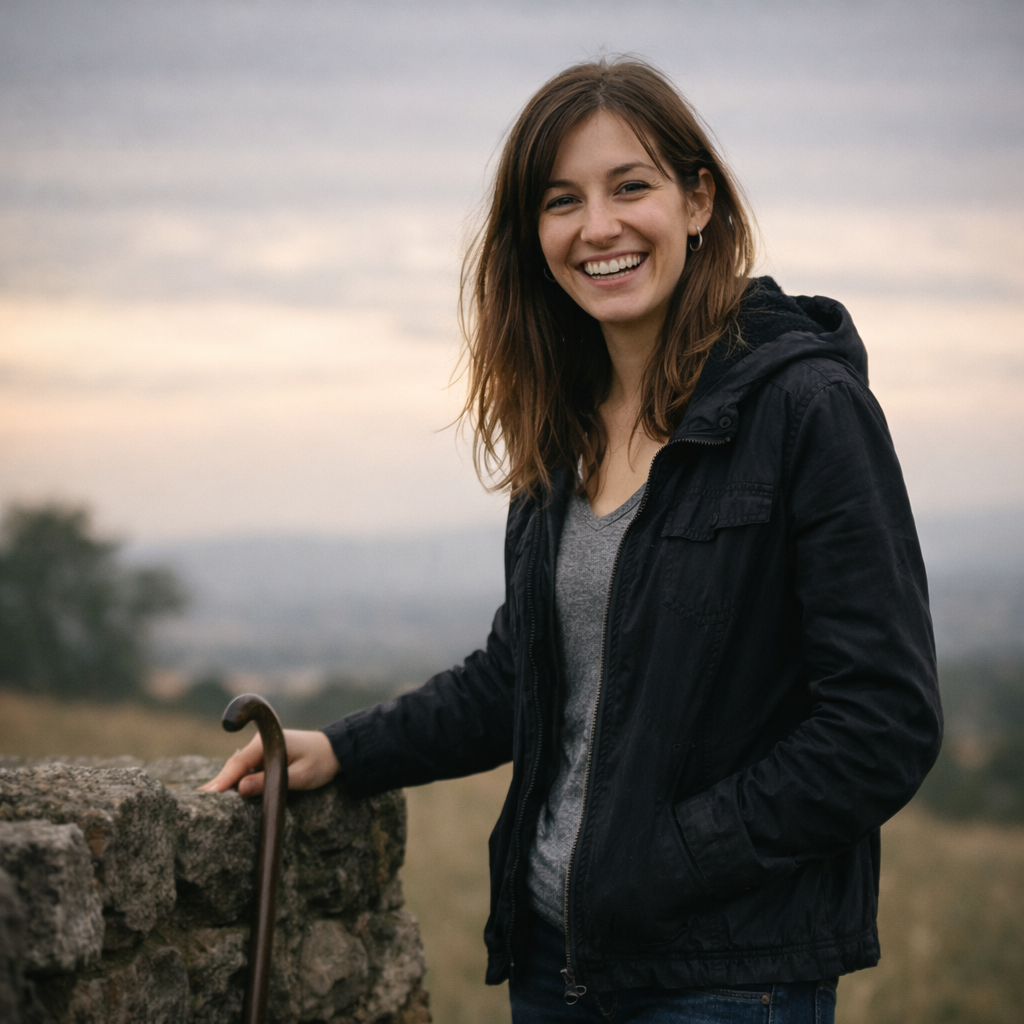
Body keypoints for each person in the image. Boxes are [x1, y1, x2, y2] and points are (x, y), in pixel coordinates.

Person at [202, 57, 942, 1023]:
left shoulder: (807, 409)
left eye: (629, 186)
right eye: (562, 201)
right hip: (557, 966)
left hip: (723, 979)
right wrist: (343, 749)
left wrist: (661, 865)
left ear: (698, 200)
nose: (599, 226)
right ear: (534, 234)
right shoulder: (567, 425)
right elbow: (525, 673)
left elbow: (882, 726)